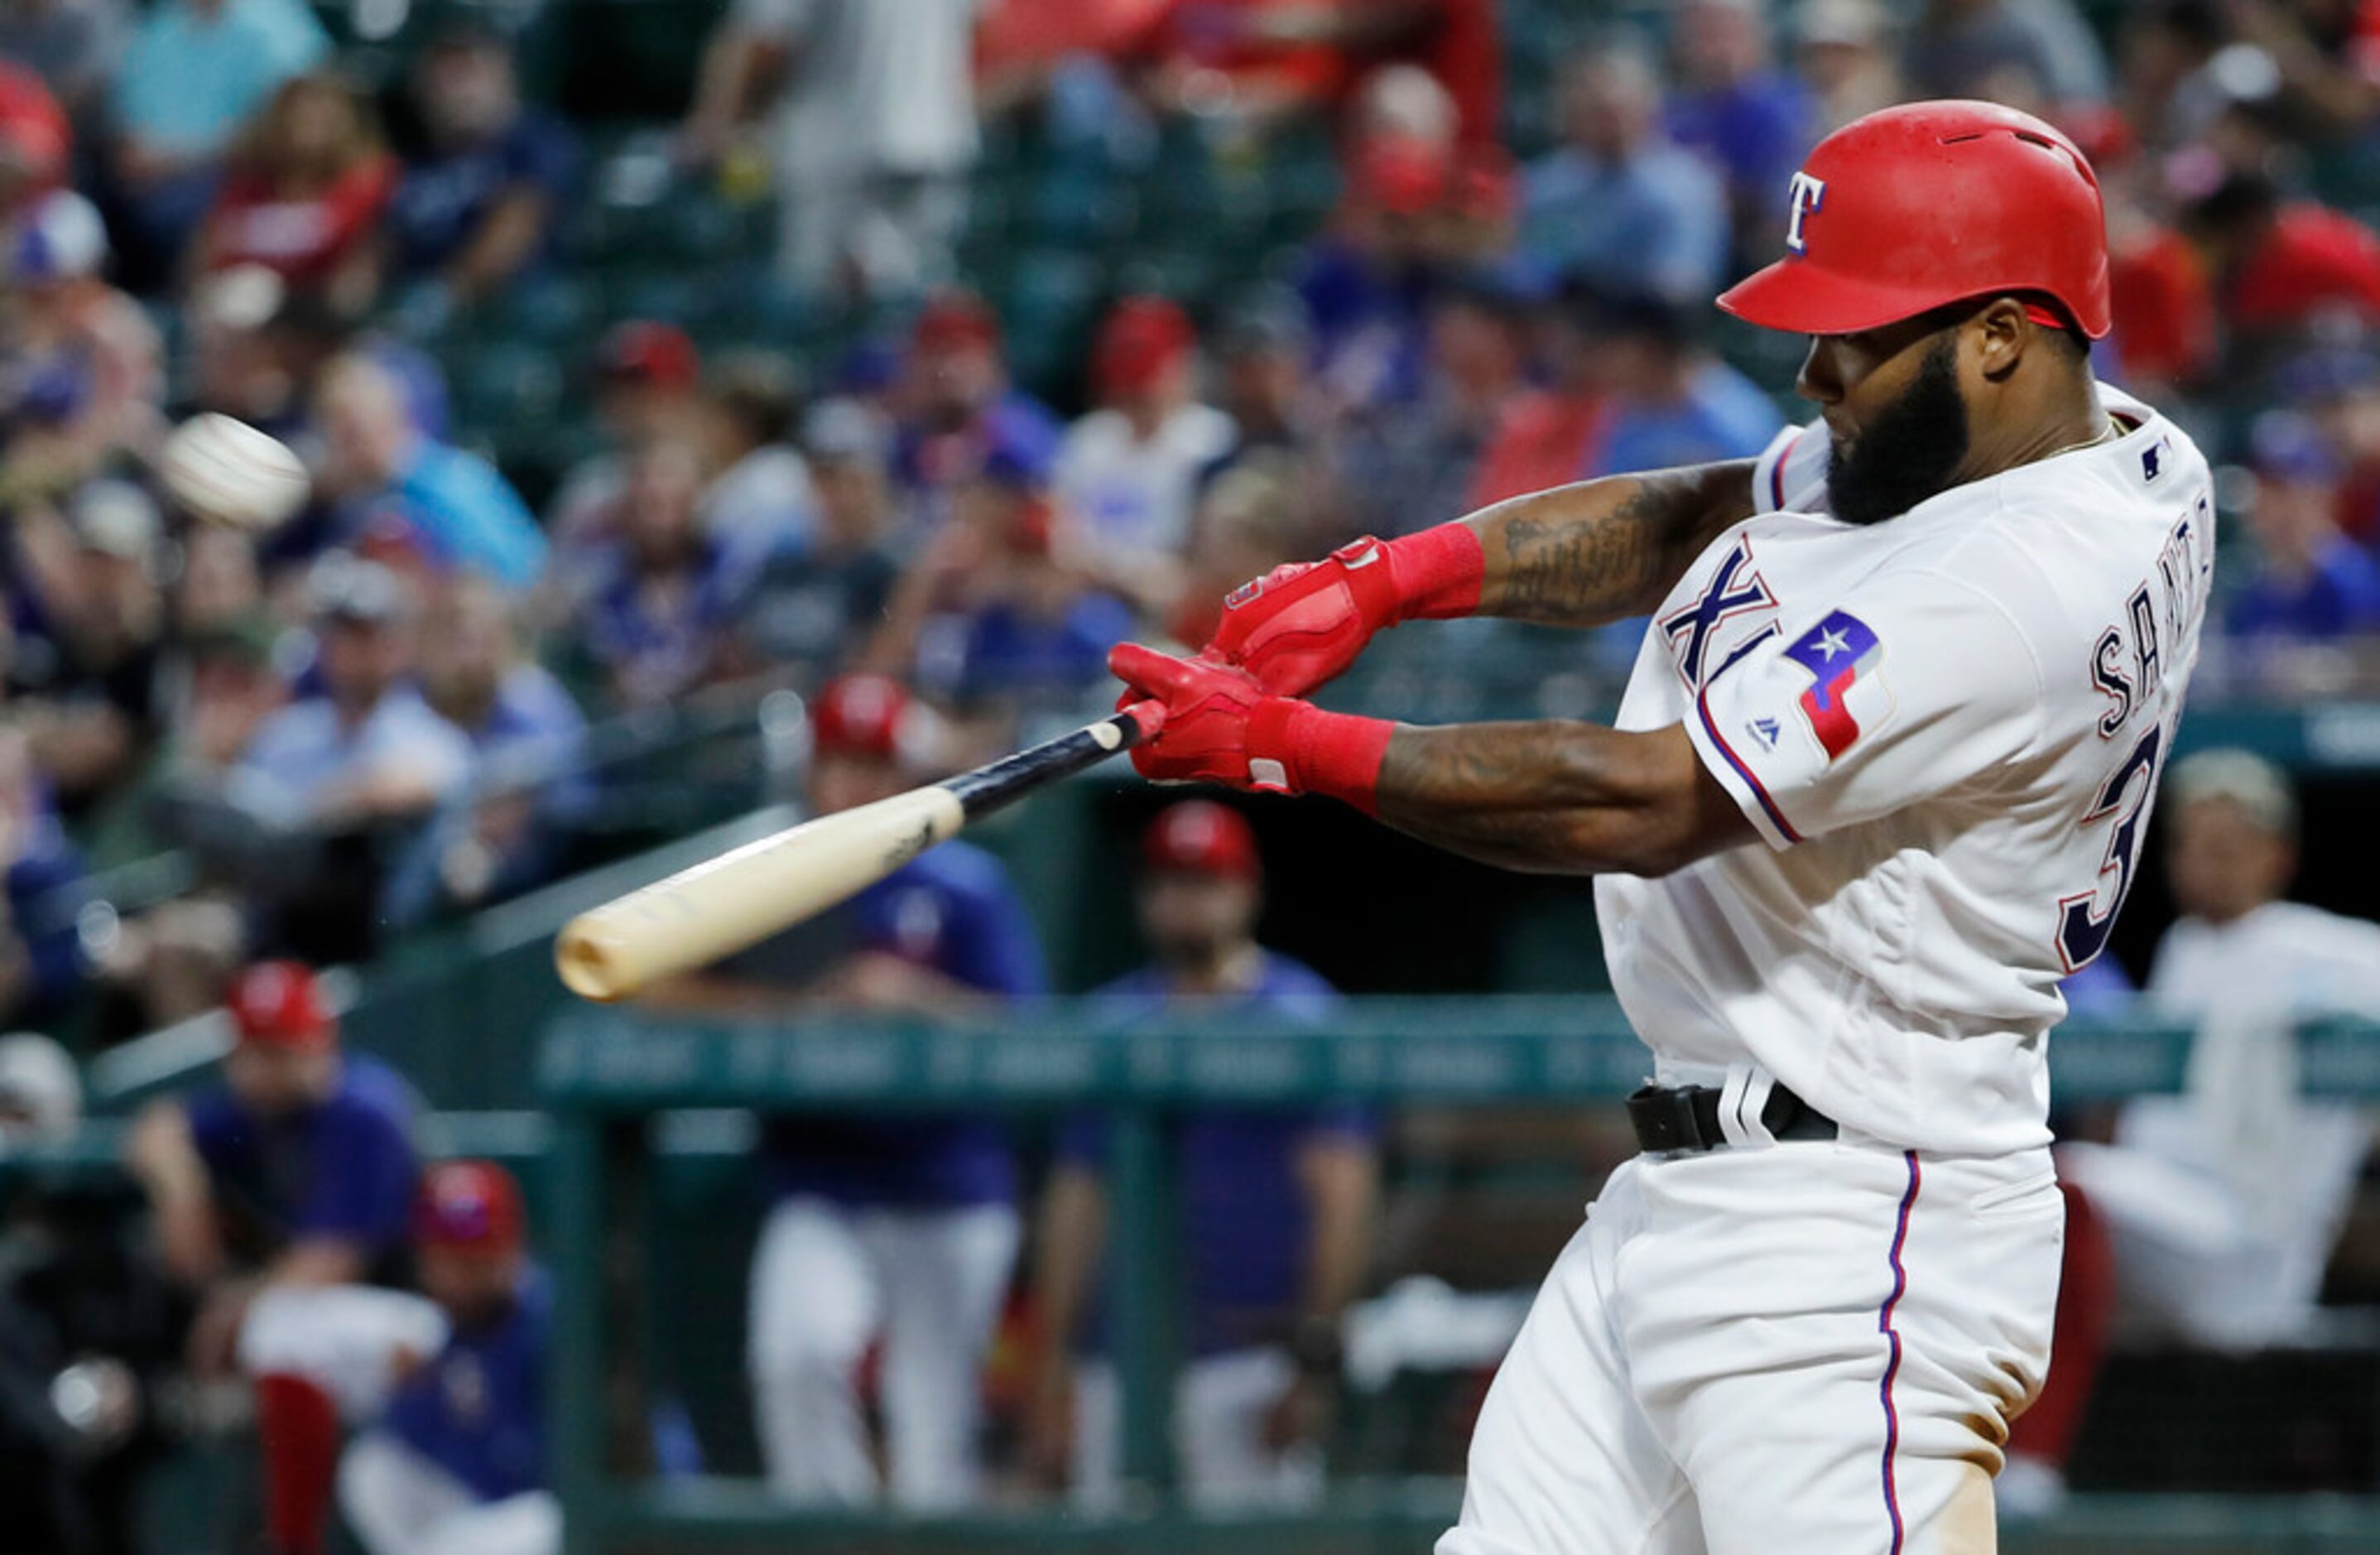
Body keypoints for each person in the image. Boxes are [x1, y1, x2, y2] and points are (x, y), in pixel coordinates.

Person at [1107, 100, 2214, 1549]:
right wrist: (1397, 575)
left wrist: (1281, 749)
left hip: (1858, 1231)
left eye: (1859, 335)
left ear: (2004, 334)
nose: (1816, 370)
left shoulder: (2010, 587)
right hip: (1702, 1189)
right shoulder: (2091, 445)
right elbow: (1705, 509)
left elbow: (1649, 800)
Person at [642, 673, 1045, 1508]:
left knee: (935, 1432)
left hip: (950, 1182)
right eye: (840, 762)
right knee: (797, 1355)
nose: (856, 783)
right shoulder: (769, 877)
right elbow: (652, 982)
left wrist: (910, 998)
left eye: (873, 763)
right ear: (812, 770)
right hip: (821, 1179)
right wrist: (789, 1009)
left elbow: (1027, 1033)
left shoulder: (962, 882)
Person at [1029, 802, 1378, 1509]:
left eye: (1206, 881)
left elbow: (1341, 1204)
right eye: (1171, 882)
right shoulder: (1112, 1022)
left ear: (1245, 890)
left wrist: (1312, 1368)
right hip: (1116, 1368)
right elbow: (1075, 1208)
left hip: (1252, 1367)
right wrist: (1048, 1371)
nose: (1187, 901)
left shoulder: (1301, 1017)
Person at [2060, 751, 2380, 1352]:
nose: (2202, 865)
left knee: (2057, 1186)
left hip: (2248, 1241)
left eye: (2225, 847)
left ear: (2275, 855)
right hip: (2167, 1216)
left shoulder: (2319, 945)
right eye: (2190, 845)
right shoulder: (2184, 944)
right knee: (2026, 1197)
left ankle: (2031, 1447)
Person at [123, 960, 434, 1555]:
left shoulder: (365, 1110)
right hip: (329, 1339)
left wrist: (228, 1312)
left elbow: (333, 1260)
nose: (265, 1067)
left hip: (415, 1333)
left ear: (321, 1042)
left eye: (283, 1049)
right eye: (254, 1050)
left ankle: (292, 1541)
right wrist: (181, 1191)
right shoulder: (254, 1110)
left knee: (281, 1325)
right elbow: (154, 1130)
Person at [680, 0, 983, 301]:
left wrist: (721, 127)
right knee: (916, 295)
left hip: (836, 153)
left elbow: (768, 46)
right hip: (934, 148)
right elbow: (979, 29)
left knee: (822, 306)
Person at [339, 1160, 559, 1555]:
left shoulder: (555, 1326)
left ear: (512, 1251)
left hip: (556, 1514)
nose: (457, 1275)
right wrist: (409, 1390)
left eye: (473, 1258)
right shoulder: (431, 1332)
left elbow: (533, 1468)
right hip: (481, 1518)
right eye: (445, 1257)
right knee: (373, 1470)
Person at [105, 0, 330, 280]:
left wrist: (176, 160)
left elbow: (292, 126)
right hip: (146, 177)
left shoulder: (279, 25)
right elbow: (128, 116)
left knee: (184, 211)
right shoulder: (161, 25)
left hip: (238, 174)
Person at [382, 23, 579, 319]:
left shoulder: (536, 140)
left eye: (467, 72)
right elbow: (381, 243)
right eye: (442, 73)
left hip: (507, 312)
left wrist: (444, 295)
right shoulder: (412, 161)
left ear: (504, 77)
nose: (454, 87)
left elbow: (515, 228)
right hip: (413, 308)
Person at [1054, 296, 1235, 614]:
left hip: (1172, 603)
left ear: (1178, 370)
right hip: (1086, 597)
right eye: (1127, 387)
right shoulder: (1088, 440)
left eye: (1145, 386)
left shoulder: (1211, 439)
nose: (1135, 397)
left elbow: (1204, 562)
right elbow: (1061, 540)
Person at [311, 350, 546, 591]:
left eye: (352, 427)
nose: (342, 442)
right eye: (335, 429)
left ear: (388, 415)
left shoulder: (453, 482)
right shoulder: (357, 502)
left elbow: (518, 575)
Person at [1517, 44, 1729, 304]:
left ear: (1648, 107)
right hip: (1552, 329)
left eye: (1617, 110)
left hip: (1646, 331)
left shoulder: (1686, 187)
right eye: (1594, 111)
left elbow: (1681, 289)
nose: (1610, 125)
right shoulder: (1545, 186)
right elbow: (1520, 274)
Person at [192, 71, 397, 310]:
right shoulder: (248, 183)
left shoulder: (367, 181)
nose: (311, 122)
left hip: (320, 315)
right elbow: (209, 252)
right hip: (239, 309)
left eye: (324, 116)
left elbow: (358, 270)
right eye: (301, 113)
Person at [734, 397, 905, 676]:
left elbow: (878, 670)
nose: (840, 494)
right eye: (825, 477)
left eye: (852, 480)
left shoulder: (894, 568)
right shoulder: (780, 563)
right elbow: (740, 648)